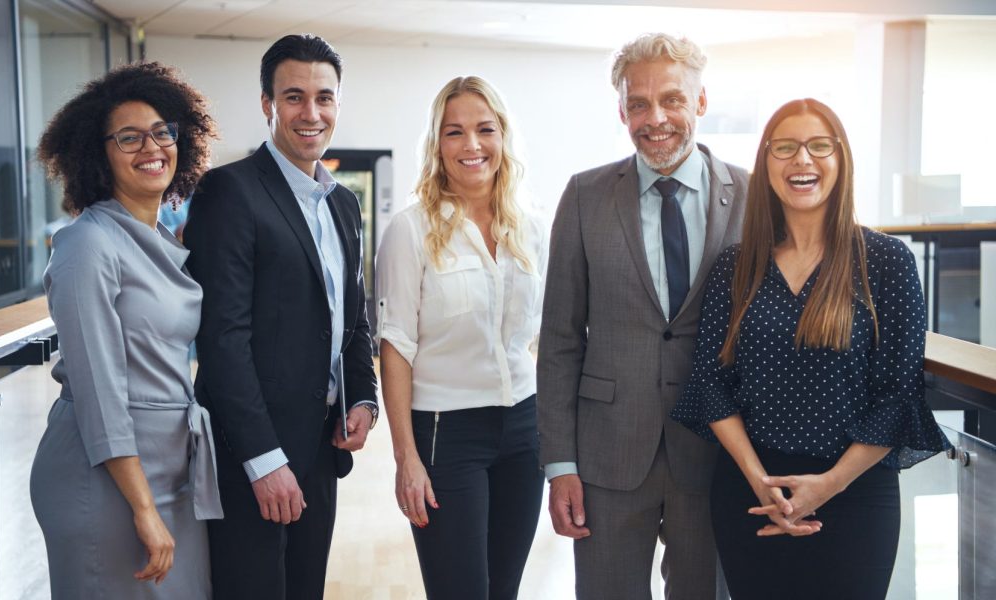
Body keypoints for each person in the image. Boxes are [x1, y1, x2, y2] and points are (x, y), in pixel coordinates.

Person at [670, 98, 952, 599]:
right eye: (786, 148)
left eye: (819, 146)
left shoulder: (886, 262)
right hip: (752, 494)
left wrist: (827, 486)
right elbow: (711, 385)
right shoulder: (735, 266)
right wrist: (761, 483)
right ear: (767, 163)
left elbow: (897, 396)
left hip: (854, 496)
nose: (802, 159)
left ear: (841, 161)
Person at [537, 33, 748, 599]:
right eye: (638, 103)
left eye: (673, 100)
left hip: (717, 456)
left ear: (700, 102)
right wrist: (560, 464)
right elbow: (559, 339)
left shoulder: (755, 198)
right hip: (607, 457)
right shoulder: (585, 196)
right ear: (622, 109)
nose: (655, 119)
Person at [183, 34, 378, 600]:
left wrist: (361, 396)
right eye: (294, 96)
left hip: (321, 447)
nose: (310, 113)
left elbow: (353, 314)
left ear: (338, 104)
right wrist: (263, 460)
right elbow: (221, 341)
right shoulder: (230, 191)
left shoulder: (343, 202)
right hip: (256, 456)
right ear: (267, 103)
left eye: (324, 97)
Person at [29, 62, 221, 599]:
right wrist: (141, 507)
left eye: (162, 132)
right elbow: (100, 393)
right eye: (129, 137)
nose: (151, 147)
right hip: (106, 478)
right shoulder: (88, 245)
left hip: (169, 468)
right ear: (98, 153)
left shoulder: (159, 237)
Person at [376, 75, 546, 600]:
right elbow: (395, 345)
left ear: (503, 138)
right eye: (454, 132)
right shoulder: (410, 230)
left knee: (504, 590)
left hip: (524, 428)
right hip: (445, 434)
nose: (472, 145)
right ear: (437, 144)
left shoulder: (531, 228)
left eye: (484, 129)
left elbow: (544, 337)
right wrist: (406, 458)